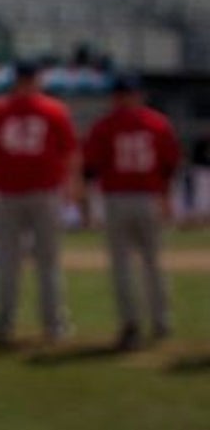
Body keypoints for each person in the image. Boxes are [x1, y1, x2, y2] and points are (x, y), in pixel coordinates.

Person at [0, 61, 79, 344]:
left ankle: (4, 324)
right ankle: (54, 323)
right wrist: (71, 186)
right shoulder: (54, 109)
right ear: (38, 80)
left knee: (8, 262)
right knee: (48, 261)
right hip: (42, 191)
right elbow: (69, 153)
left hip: (10, 192)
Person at [83, 74, 180, 350]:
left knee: (123, 266)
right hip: (148, 196)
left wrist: (87, 203)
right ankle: (161, 321)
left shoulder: (105, 125)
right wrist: (167, 198)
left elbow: (90, 166)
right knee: (153, 263)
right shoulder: (157, 122)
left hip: (118, 198)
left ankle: (131, 324)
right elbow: (169, 165)